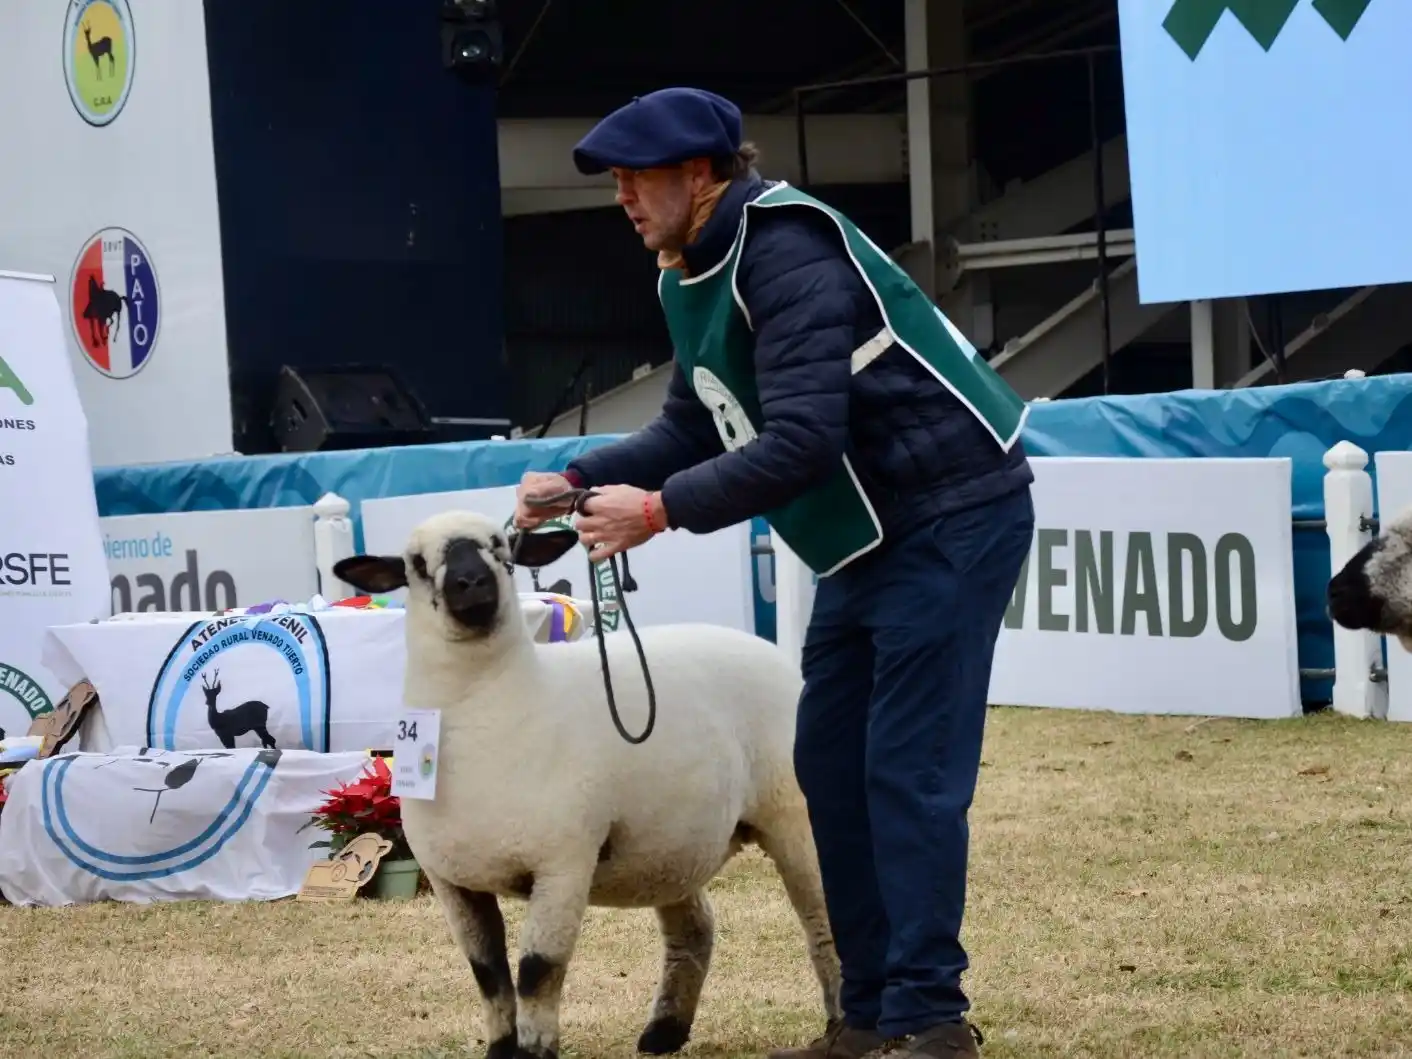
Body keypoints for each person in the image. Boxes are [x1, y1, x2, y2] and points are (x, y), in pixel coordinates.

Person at [513, 87, 1036, 1059]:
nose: (622, 197)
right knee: (829, 770)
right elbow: (689, 423)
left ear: (702, 175)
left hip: (953, 513)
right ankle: (867, 1014)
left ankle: (932, 1018)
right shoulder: (684, 272)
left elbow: (800, 438)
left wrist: (660, 512)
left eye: (637, 178)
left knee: (905, 775)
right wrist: (579, 478)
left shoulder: (785, 253)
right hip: (866, 534)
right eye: (616, 181)